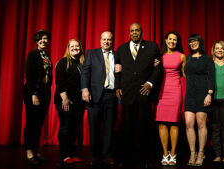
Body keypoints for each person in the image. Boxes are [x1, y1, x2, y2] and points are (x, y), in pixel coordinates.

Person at [115, 23, 163, 169]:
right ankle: (126, 158)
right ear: (129, 33)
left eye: (137, 30)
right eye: (132, 31)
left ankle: (146, 158)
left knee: (144, 128)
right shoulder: (121, 49)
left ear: (142, 32)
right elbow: (118, 70)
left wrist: (150, 83)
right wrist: (117, 86)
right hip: (127, 94)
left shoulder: (152, 47)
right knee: (126, 128)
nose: (134, 33)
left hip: (144, 93)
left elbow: (158, 68)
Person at [81, 31, 118, 167]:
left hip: (112, 95)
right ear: (100, 40)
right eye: (104, 39)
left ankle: (107, 155)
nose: (106, 42)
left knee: (109, 128)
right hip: (95, 96)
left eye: (109, 40)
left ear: (112, 41)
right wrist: (85, 89)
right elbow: (85, 72)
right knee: (94, 128)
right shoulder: (91, 53)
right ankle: (94, 155)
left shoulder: (117, 54)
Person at [155, 31, 186, 166]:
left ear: (177, 42)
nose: (172, 42)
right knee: (161, 122)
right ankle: (165, 152)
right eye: (170, 39)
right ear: (166, 40)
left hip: (175, 90)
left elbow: (185, 75)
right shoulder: (159, 56)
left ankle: (173, 152)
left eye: (175, 40)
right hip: (161, 90)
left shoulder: (182, 56)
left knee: (174, 122)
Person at [184, 34, 215, 166]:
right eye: (190, 42)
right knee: (189, 123)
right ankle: (193, 153)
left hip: (203, 93)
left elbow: (211, 76)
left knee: (201, 123)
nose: (193, 43)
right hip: (190, 94)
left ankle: (201, 153)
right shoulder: (187, 58)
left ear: (200, 42)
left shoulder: (208, 58)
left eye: (195, 41)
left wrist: (209, 94)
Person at [22, 29, 52, 165]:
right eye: (41, 38)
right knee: (31, 123)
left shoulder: (46, 55)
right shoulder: (32, 55)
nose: (43, 41)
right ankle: (29, 152)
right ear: (36, 41)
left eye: (46, 38)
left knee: (39, 123)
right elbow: (29, 77)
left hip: (45, 92)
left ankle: (36, 151)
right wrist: (33, 94)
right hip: (33, 92)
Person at [54, 39, 85, 164]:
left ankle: (72, 153)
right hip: (64, 99)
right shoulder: (63, 62)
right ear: (68, 48)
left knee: (74, 128)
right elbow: (60, 82)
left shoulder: (82, 63)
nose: (74, 48)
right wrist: (65, 99)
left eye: (77, 46)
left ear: (80, 48)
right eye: (72, 46)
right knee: (65, 127)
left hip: (78, 101)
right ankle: (64, 155)